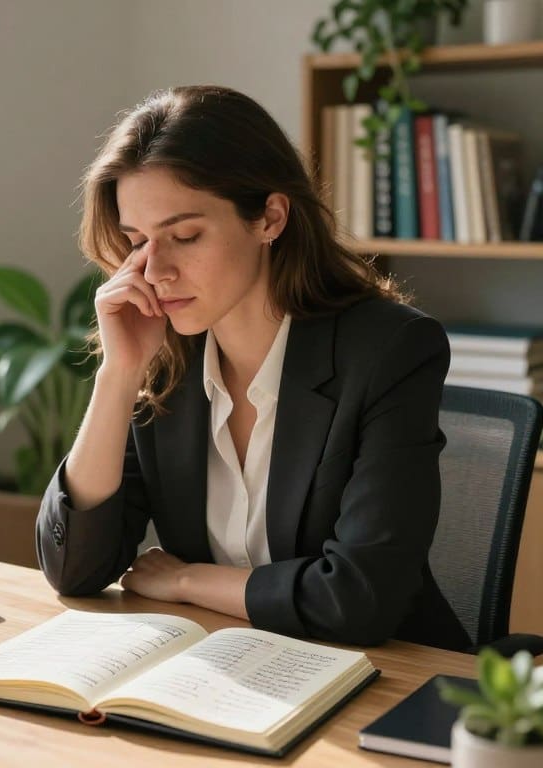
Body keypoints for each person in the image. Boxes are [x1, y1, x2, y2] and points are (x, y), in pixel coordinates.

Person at [36, 85, 469, 651]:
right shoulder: (166, 357)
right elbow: (75, 571)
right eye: (137, 240)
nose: (155, 270)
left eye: (185, 235)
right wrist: (118, 375)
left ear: (269, 217)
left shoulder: (390, 351)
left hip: (384, 678)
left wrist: (190, 580)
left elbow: (359, 600)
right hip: (229, 664)